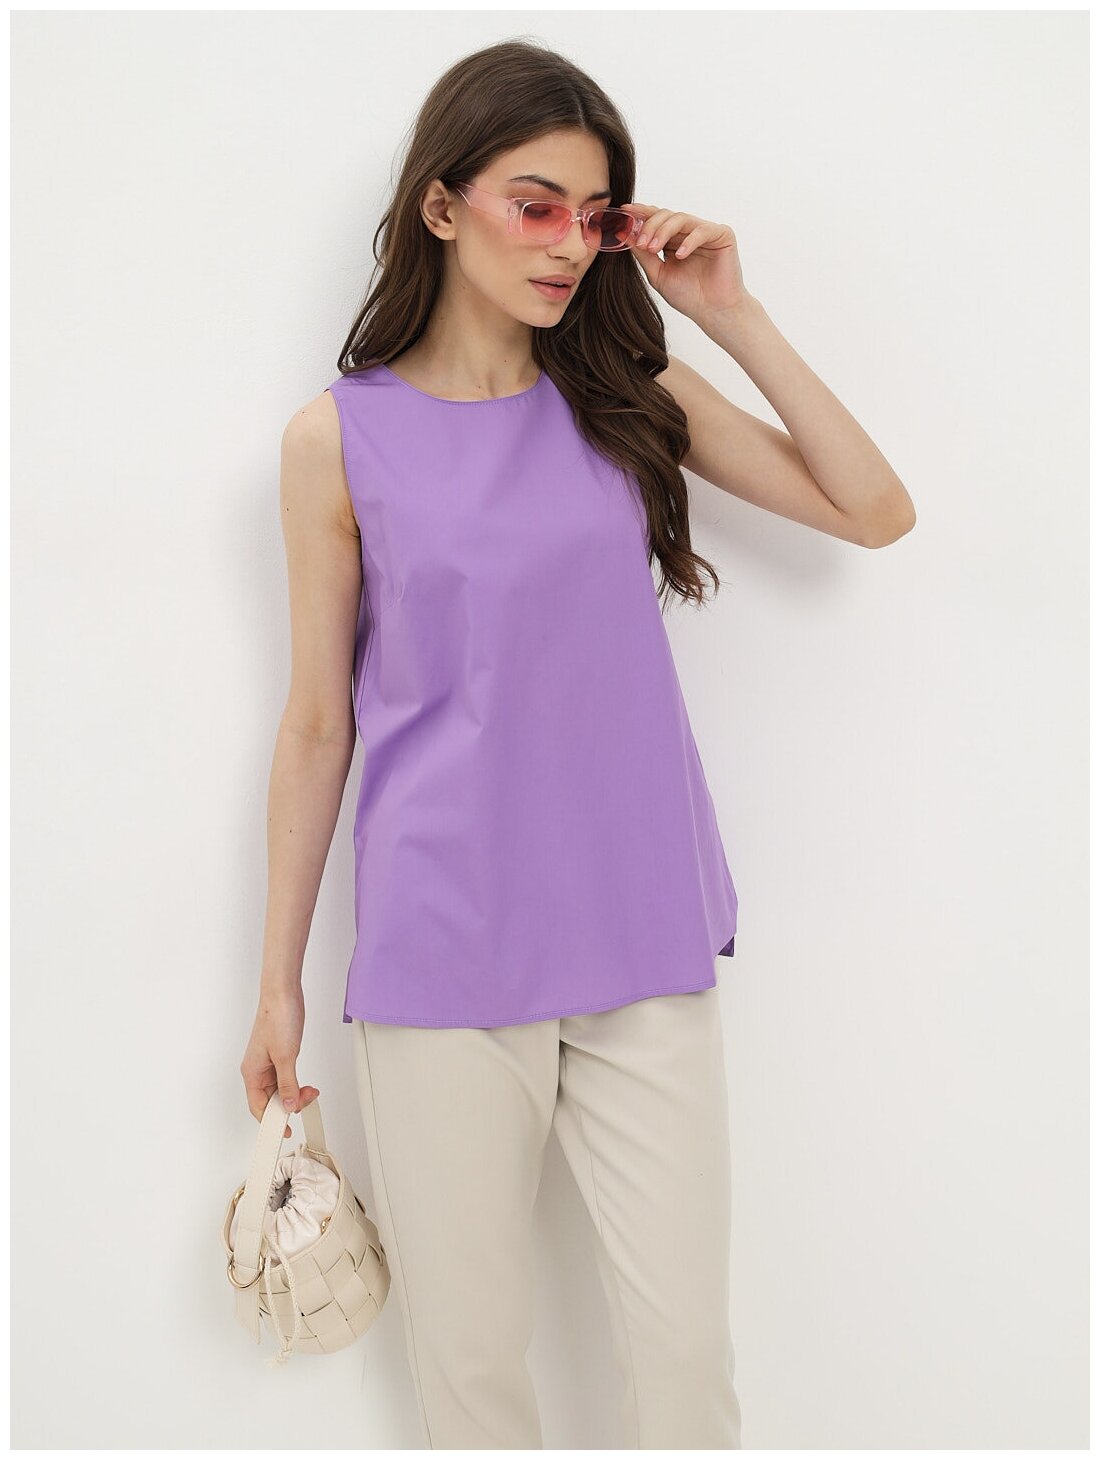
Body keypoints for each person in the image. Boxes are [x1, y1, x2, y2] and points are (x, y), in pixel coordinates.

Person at [240, 37, 916, 1450]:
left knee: (685, 1370)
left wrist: (731, 312)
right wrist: (278, 986)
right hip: (443, 949)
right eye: (532, 204)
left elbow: (873, 511)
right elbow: (315, 723)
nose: (564, 244)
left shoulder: (628, 390)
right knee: (473, 1381)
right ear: (442, 206)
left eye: (591, 216)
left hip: (638, 931)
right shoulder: (336, 441)